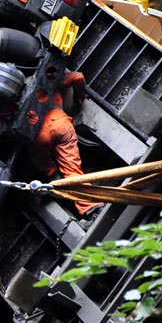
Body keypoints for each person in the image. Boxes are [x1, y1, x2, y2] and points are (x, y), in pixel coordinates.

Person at [25, 69, 104, 223]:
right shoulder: (42, 77)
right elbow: (78, 77)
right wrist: (78, 99)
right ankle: (91, 208)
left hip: (39, 137)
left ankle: (53, 173)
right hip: (60, 124)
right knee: (72, 171)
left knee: (35, 151)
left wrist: (52, 171)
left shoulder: (8, 104)